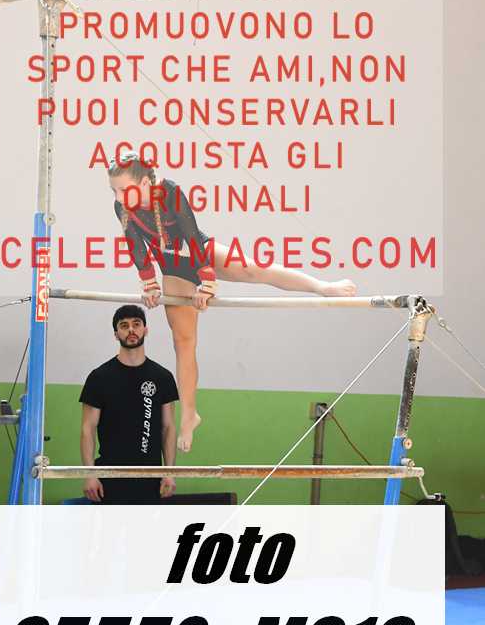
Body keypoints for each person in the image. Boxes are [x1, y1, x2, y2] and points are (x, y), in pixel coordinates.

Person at [108, 151, 357, 453]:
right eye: (114, 190)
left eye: (124, 190)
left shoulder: (169, 192)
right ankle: (189, 414)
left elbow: (191, 235)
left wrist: (207, 281)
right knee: (183, 342)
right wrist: (148, 283)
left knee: (255, 269)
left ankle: (322, 287)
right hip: (172, 268)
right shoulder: (122, 207)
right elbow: (136, 247)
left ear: (146, 183)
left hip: (201, 252)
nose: (119, 197)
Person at [79, 304, 178, 504]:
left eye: (136, 324)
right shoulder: (99, 377)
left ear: (145, 330)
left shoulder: (163, 377)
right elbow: (87, 429)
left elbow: (168, 428)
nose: (131, 329)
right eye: (124, 326)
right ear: (116, 334)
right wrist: (90, 474)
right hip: (109, 478)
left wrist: (169, 473)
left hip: (151, 479)